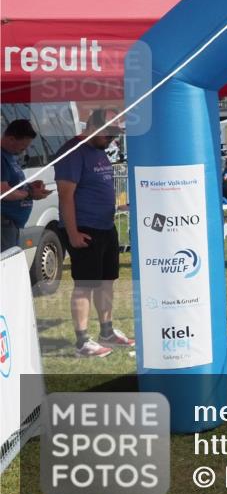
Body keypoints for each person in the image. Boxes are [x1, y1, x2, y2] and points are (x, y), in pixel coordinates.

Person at [55, 110, 133, 358]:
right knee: (85, 285)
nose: (111, 139)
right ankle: (82, 341)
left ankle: (107, 331)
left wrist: (119, 207)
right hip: (85, 229)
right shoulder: (72, 152)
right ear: (92, 126)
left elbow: (97, 188)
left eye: (114, 135)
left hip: (106, 227)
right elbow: (65, 196)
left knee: (107, 280)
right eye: (107, 134)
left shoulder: (98, 151)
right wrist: (73, 232)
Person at [1, 120, 51, 252]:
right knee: (6, 263)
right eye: (23, 147)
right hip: (3, 224)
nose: (25, 150)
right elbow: (3, 191)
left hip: (11, 224)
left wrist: (29, 186)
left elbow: (12, 184)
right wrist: (29, 194)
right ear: (11, 139)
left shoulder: (9, 155)